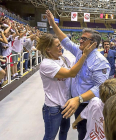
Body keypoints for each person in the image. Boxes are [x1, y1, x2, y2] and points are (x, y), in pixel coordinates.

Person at [46, 10, 110, 140]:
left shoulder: (100, 62)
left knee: (86, 133)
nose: (80, 41)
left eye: (84, 39)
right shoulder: (80, 52)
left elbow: (100, 87)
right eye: (81, 38)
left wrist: (79, 99)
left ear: (93, 43)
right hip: (77, 102)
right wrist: (53, 24)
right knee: (80, 130)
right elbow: (66, 41)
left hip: (88, 105)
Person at [38, 33, 97, 140]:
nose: (61, 47)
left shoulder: (63, 59)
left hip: (65, 105)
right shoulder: (46, 64)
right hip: (53, 107)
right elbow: (72, 73)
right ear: (48, 49)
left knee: (64, 132)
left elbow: (76, 68)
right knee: (50, 136)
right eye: (57, 46)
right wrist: (84, 55)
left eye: (60, 44)